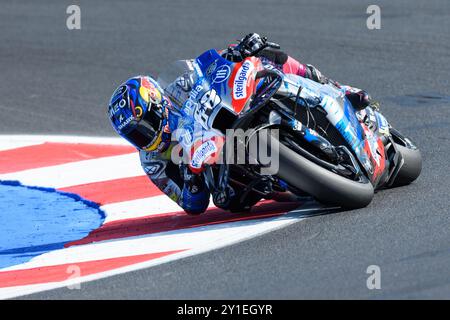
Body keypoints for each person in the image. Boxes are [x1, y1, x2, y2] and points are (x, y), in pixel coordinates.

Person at [107, 33, 374, 215]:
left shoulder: (180, 85)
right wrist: (192, 174)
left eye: (146, 124)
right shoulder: (152, 160)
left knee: (266, 58)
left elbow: (209, 67)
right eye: (136, 135)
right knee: (229, 203)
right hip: (227, 175)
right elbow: (191, 205)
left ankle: (332, 86)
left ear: (158, 102)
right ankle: (290, 176)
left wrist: (238, 52)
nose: (146, 135)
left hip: (230, 114)